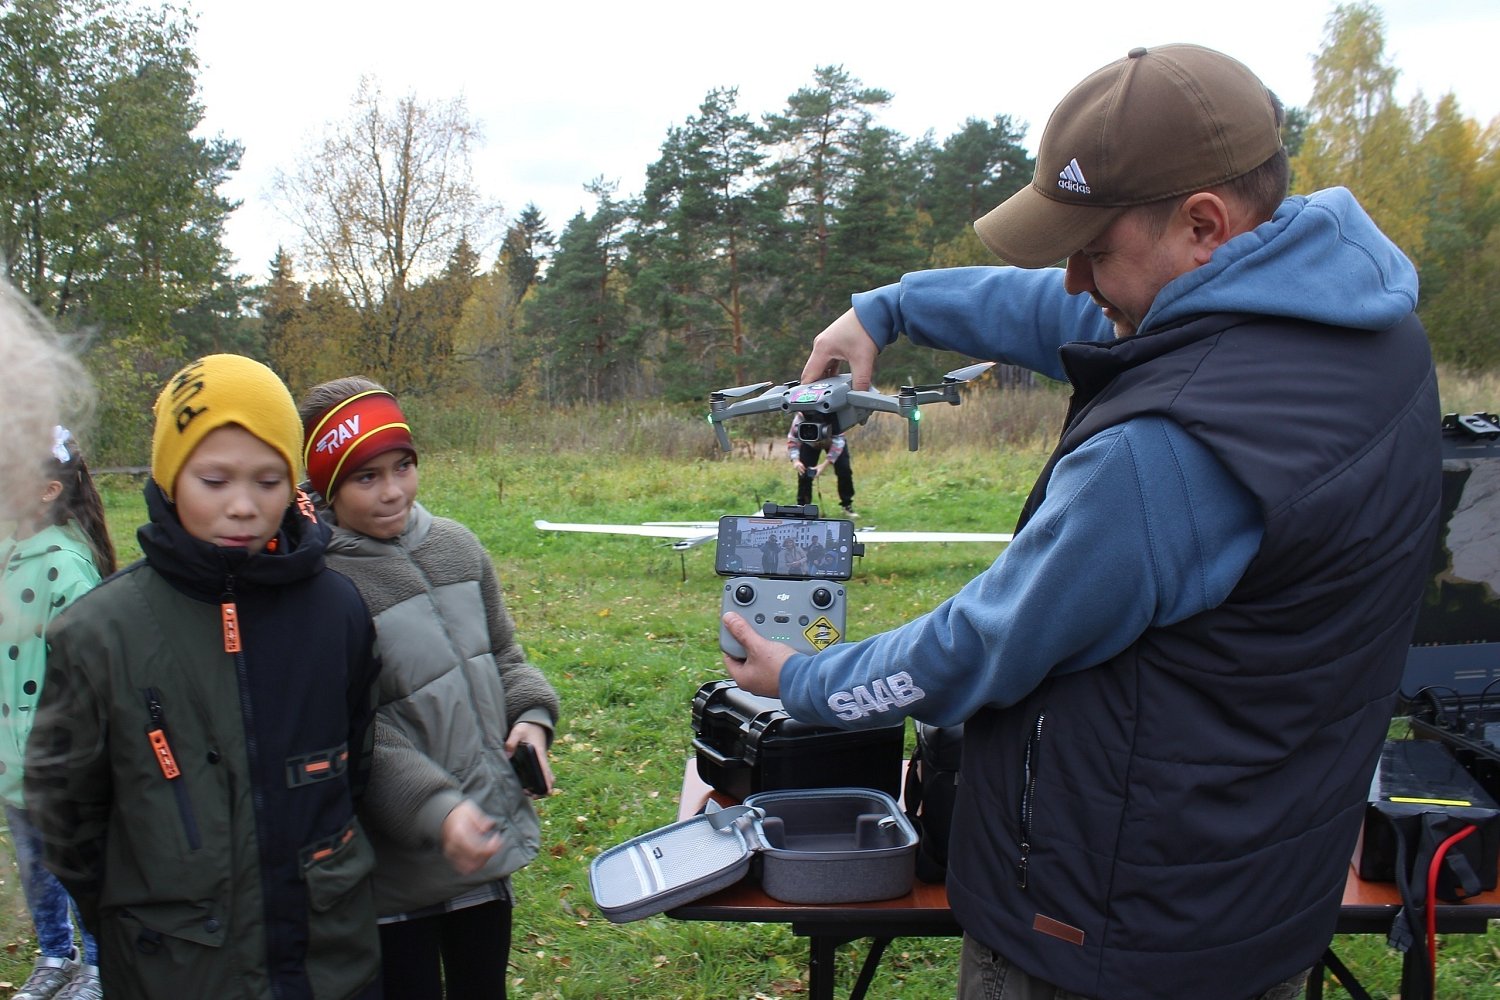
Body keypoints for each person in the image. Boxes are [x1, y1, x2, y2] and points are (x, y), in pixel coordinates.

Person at [723, 43, 1440, 1000]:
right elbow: (1067, 311)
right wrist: (890, 309)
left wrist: (806, 681)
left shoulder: (1166, 456)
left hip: (1102, 934)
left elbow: (980, 644)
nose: (1074, 278)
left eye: (1094, 248)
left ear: (1202, 225)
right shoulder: (1352, 321)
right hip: (1256, 888)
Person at [25, 354, 383, 1000]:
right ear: (168, 477)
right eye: (215, 480)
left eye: (270, 480)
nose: (243, 506)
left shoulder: (339, 611)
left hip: (330, 964)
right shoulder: (98, 635)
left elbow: (354, 766)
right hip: (176, 971)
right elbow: (67, 813)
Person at [298, 376, 560, 1000]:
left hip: (483, 845)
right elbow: (358, 729)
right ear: (329, 487)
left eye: (404, 466)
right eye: (366, 478)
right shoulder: (324, 586)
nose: (393, 491)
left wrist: (530, 717)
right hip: (395, 871)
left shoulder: (458, 548)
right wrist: (439, 811)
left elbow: (504, 655)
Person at [1, 428, 115, 1000]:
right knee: (32, 864)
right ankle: (55, 955)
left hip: (57, 756)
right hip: (10, 752)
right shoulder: (5, 556)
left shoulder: (66, 568)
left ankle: (96, 964)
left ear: (47, 490)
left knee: (73, 859)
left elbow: (89, 673)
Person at [787, 412, 856, 516]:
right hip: (809, 442)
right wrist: (796, 460)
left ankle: (847, 505)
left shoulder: (834, 416)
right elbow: (792, 439)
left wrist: (824, 465)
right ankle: (803, 508)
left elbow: (839, 440)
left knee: (844, 469)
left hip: (832, 440)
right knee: (803, 472)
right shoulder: (800, 419)